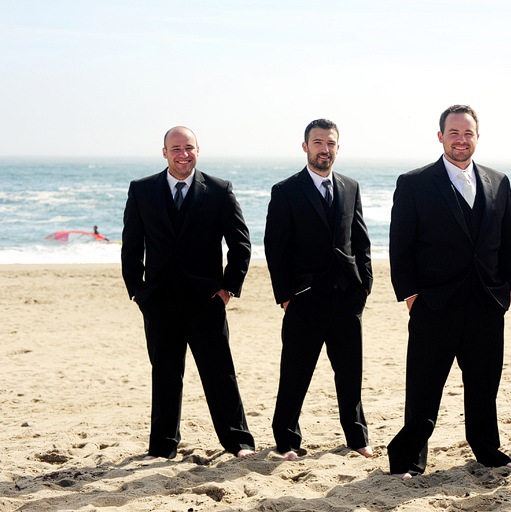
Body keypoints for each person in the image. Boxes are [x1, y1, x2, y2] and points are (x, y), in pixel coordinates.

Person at [387, 104, 511, 478]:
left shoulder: (499, 180)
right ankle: (409, 455)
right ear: (441, 136)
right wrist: (411, 296)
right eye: (454, 133)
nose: (461, 140)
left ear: (477, 136)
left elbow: (507, 239)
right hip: (434, 303)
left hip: (487, 301)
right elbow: (401, 246)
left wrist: (509, 288)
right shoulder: (414, 182)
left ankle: (486, 447)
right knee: (425, 385)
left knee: (483, 382)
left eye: (468, 133)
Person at [121, 126, 256, 460]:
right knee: (165, 373)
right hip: (159, 300)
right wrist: (138, 292)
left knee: (219, 372)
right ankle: (163, 446)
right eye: (176, 148)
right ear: (164, 152)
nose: (183, 154)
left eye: (189, 148)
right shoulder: (142, 190)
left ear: (198, 150)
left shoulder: (219, 190)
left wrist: (228, 289)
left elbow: (240, 244)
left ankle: (238, 442)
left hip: (206, 299)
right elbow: (131, 245)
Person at [264, 119, 374, 461]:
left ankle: (357, 439)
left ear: (337, 148)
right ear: (305, 147)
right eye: (317, 143)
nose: (323, 149)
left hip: (346, 298)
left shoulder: (350, 186)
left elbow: (360, 239)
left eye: (329, 143)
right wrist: (285, 295)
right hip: (304, 299)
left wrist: (364, 285)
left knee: (350, 374)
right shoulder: (286, 191)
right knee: (295, 374)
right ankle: (286, 441)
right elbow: (274, 247)